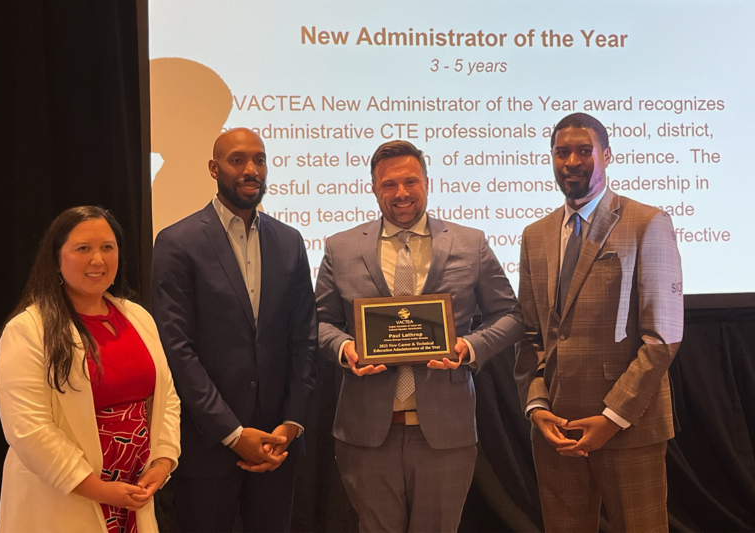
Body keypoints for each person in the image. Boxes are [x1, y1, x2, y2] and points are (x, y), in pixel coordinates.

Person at [315, 140, 523, 533]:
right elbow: (318, 322)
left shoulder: (470, 242)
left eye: (411, 181)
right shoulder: (340, 247)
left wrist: (469, 347)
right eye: (389, 185)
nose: (402, 194)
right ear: (374, 189)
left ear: (427, 182)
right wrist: (344, 349)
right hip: (367, 431)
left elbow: (510, 315)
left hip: (445, 429)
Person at [515, 112, 683, 532]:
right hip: (557, 430)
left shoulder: (647, 222)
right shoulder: (535, 235)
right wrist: (537, 405)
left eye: (583, 150)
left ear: (606, 155)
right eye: (561, 152)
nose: (571, 160)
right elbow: (529, 335)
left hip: (629, 427)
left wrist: (612, 417)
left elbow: (662, 337)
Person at [151, 127, 317, 532]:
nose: (251, 170)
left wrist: (291, 425)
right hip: (209, 446)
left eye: (259, 160)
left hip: (278, 445)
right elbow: (177, 348)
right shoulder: (177, 242)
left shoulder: (290, 241)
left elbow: (304, 339)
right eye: (237, 160)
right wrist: (231, 432)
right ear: (214, 168)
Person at [0, 206, 181, 533]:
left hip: (134, 497)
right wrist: (99, 489)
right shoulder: (28, 329)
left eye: (107, 247)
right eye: (83, 248)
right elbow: (28, 429)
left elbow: (167, 400)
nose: (98, 259)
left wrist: (163, 463)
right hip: (63, 499)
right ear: (56, 258)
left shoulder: (138, 317)